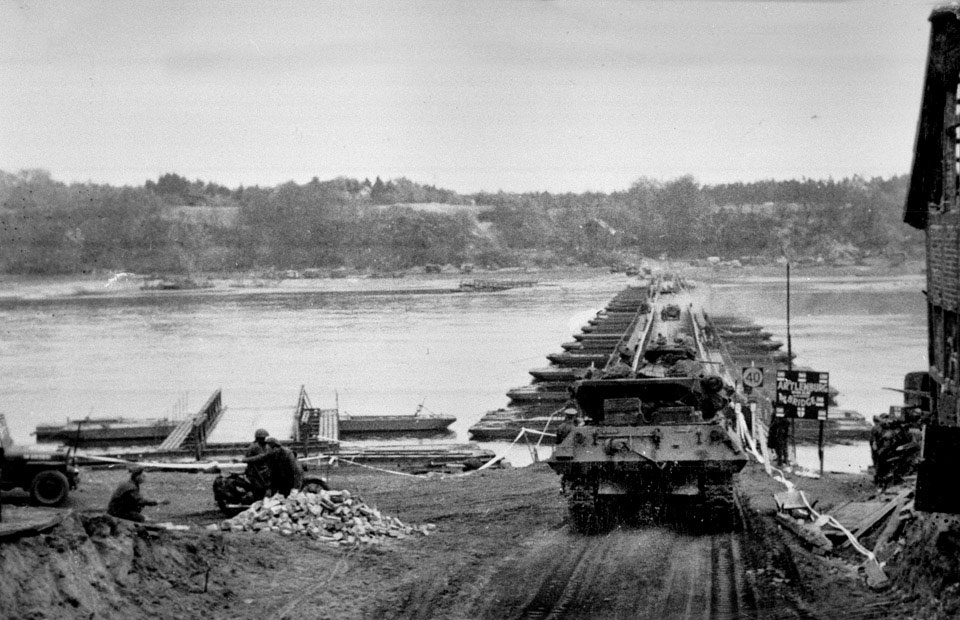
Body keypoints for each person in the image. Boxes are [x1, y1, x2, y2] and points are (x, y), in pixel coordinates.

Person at [244, 428, 272, 496]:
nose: (263, 440)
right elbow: (248, 458)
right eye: (261, 438)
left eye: (264, 438)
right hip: (254, 470)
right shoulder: (253, 447)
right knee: (259, 487)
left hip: (263, 469)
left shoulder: (266, 446)